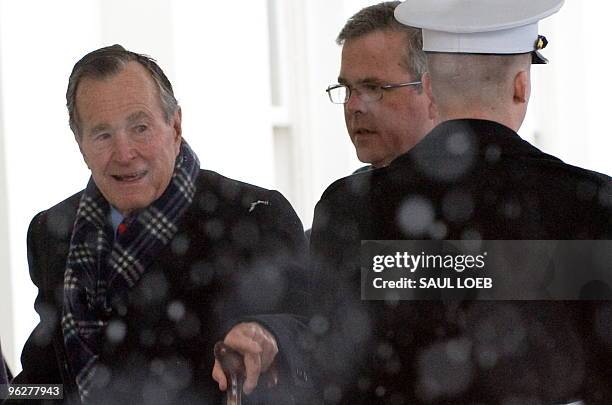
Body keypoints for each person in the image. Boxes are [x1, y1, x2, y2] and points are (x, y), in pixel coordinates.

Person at [310, 0, 612, 403]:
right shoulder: (591, 203)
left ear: (430, 88)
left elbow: (332, 366)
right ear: (521, 85)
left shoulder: (350, 208)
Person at [13, 45, 314, 404]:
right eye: (102, 135)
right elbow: (45, 380)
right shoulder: (53, 231)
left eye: (140, 127)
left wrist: (269, 333)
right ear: (80, 144)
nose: (125, 153)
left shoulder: (253, 215)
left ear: (175, 126)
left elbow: (312, 332)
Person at [326, 1, 434, 170]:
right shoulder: (343, 195)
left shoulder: (476, 190)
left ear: (431, 89)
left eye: (372, 88)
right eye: (347, 88)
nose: (352, 106)